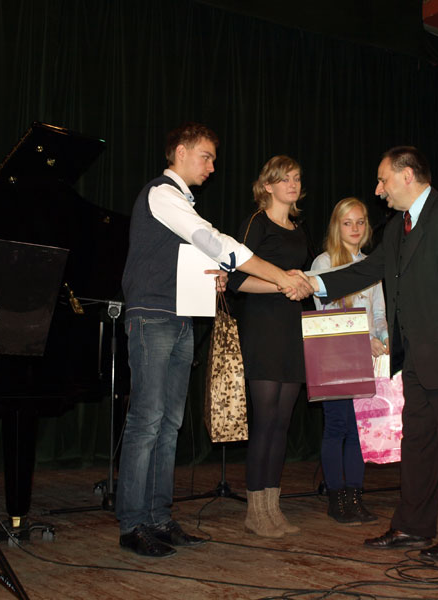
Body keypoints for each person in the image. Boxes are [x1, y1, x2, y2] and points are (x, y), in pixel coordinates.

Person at [117, 124, 311, 558]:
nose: (212, 166)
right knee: (146, 422)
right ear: (180, 152)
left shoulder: (181, 202)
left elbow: (192, 254)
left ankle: (159, 518)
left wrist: (214, 278)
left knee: (169, 424)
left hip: (181, 318)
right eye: (205, 156)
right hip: (152, 317)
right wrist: (281, 277)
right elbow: (212, 240)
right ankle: (132, 524)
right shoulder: (161, 193)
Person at [307, 146, 438, 561]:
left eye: (382, 179)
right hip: (416, 362)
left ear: (407, 175)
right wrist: (313, 283)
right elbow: (363, 271)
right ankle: (413, 526)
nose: (378, 189)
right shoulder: (396, 228)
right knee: (418, 446)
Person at [227, 155, 312, 538]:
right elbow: (235, 281)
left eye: (296, 178)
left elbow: (302, 279)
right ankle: (255, 512)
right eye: (284, 179)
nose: (292, 184)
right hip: (263, 328)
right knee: (264, 422)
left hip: (293, 329)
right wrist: (282, 285)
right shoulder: (256, 223)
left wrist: (301, 285)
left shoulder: (299, 229)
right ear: (268, 186)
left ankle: (273, 508)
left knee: (282, 423)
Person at [310, 197, 387, 525]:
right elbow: (324, 313)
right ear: (336, 226)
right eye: (347, 222)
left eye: (360, 222)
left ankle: (355, 496)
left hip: (367, 358)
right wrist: (364, 339)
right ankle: (336, 497)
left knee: (359, 429)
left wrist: (384, 338)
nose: (355, 228)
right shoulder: (324, 262)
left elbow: (379, 313)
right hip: (335, 357)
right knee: (338, 425)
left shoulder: (371, 264)